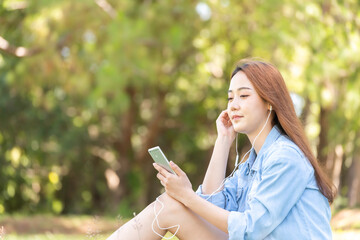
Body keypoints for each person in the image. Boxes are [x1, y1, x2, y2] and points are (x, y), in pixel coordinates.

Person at [107, 59, 336, 240]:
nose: (233, 104)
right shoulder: (251, 163)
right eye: (230, 97)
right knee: (168, 206)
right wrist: (223, 140)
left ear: (269, 102)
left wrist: (186, 196)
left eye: (244, 96)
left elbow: (250, 229)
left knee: (171, 206)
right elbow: (210, 204)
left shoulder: (285, 157)